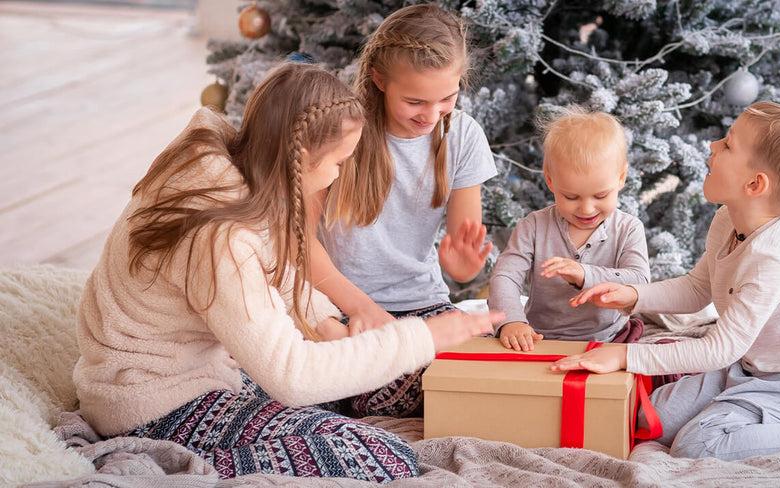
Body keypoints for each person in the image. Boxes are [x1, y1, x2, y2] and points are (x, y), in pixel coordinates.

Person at [73, 62, 499, 481]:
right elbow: (292, 377)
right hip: (153, 404)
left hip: (210, 366)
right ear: (300, 159)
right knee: (382, 456)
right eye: (337, 163)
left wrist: (330, 324)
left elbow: (278, 271)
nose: (338, 175)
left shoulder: (233, 166)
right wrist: (420, 337)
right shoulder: (220, 236)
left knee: (398, 383)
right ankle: (172, 465)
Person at [550, 101, 780, 461]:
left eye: (728, 145)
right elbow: (697, 289)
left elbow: (720, 348)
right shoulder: (728, 219)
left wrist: (625, 355)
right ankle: (734, 405)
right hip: (747, 368)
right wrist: (631, 295)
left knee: (698, 444)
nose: (712, 146)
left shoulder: (774, 259)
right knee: (647, 416)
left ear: (754, 184)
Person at [310, 4, 497, 418]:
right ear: (379, 80)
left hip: (422, 303)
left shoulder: (463, 136)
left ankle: (357, 380)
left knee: (468, 385)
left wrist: (462, 266)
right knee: (304, 382)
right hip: (336, 302)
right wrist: (359, 311)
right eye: (414, 101)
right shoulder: (339, 132)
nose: (431, 116)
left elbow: (464, 267)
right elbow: (299, 242)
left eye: (447, 98)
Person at [488, 107, 650, 351]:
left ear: (621, 177)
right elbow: (505, 277)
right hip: (540, 338)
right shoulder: (532, 226)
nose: (586, 209)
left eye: (600, 195)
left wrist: (584, 274)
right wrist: (511, 322)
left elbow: (639, 282)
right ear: (550, 180)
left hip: (608, 340)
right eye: (571, 196)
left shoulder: (628, 228)